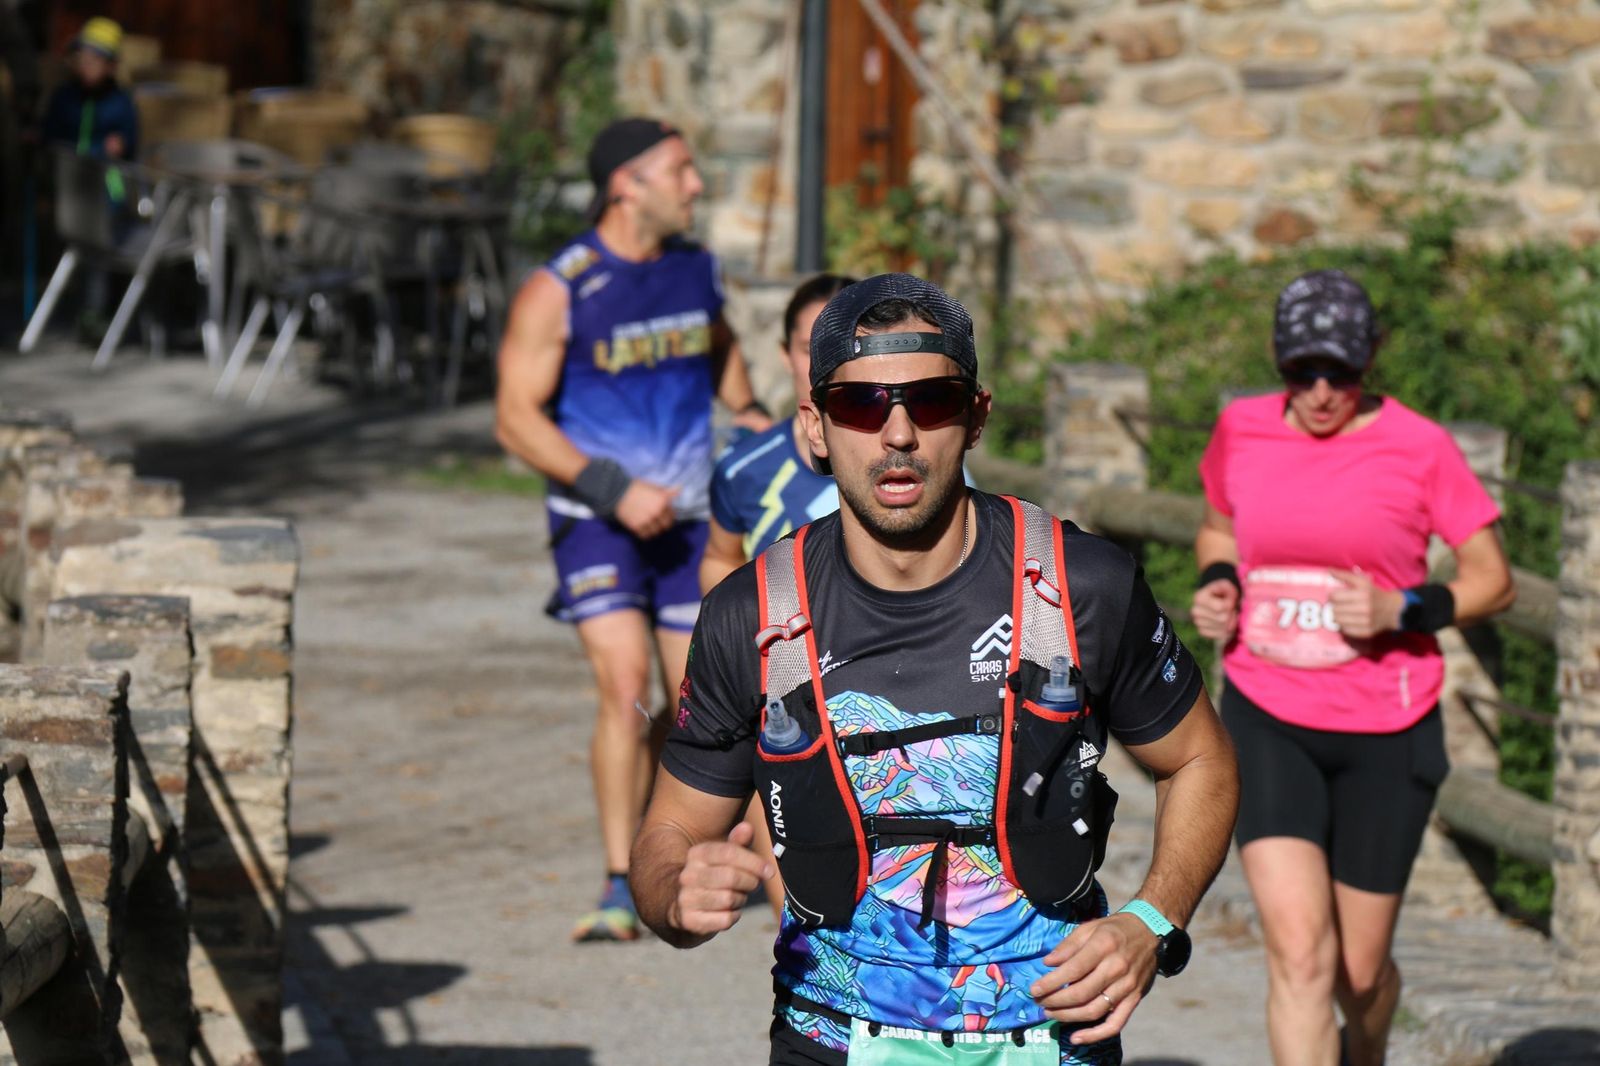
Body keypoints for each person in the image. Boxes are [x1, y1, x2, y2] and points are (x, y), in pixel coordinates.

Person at [633, 273, 1239, 1064]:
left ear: (977, 415)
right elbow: (669, 833)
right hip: (832, 1040)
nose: (897, 434)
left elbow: (1201, 757)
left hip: (1051, 1041)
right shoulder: (747, 615)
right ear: (814, 428)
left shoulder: (1079, 585)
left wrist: (1153, 923)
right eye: (859, 405)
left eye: (931, 400)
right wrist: (673, 894)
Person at [1190, 269, 1515, 1066]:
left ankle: (1365, 1047)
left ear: (1372, 358)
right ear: (1279, 361)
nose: (1324, 390)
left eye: (1343, 370)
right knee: (1301, 957)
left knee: (1358, 976)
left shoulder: (1419, 446)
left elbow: (1493, 579)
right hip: (1267, 715)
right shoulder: (1243, 428)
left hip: (1387, 725)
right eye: (1303, 371)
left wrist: (1401, 609)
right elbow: (1217, 529)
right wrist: (1217, 585)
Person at [496, 116, 771, 943]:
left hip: (690, 521)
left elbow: (718, 346)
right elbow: (515, 419)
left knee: (699, 703)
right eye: (680, 171)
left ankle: (678, 840)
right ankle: (622, 881)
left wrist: (752, 414)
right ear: (628, 185)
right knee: (624, 692)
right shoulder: (565, 286)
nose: (695, 186)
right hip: (599, 523)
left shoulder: (694, 270)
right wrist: (611, 489)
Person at [41, 17, 136, 164]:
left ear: (111, 66)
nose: (87, 64)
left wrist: (121, 143)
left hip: (104, 176)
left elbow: (130, 137)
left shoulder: (121, 102)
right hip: (66, 172)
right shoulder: (64, 97)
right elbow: (49, 134)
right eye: (82, 56)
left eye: (96, 58)